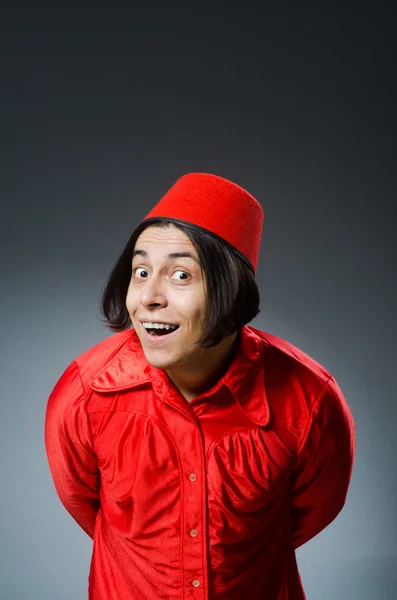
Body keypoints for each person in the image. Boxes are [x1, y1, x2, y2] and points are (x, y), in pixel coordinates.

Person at [44, 172, 356, 600]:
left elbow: (311, 512)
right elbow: (85, 504)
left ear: (232, 290)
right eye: (140, 271)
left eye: (181, 276)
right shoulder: (84, 393)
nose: (149, 296)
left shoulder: (311, 400)